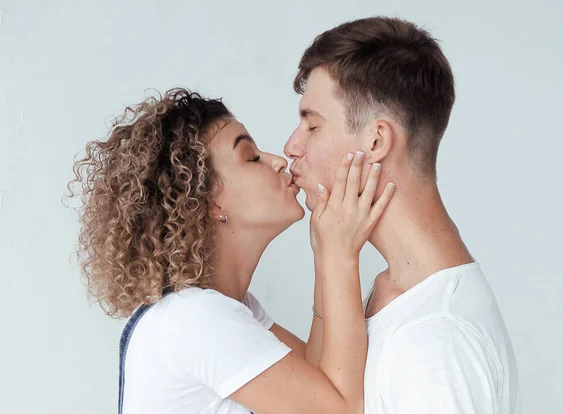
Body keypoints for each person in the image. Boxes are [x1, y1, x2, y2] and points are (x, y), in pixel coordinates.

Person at [68, 88, 395, 414]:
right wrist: (341, 256)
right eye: (252, 157)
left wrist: (326, 251)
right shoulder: (195, 318)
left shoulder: (220, 309)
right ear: (210, 202)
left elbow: (317, 376)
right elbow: (344, 410)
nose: (279, 161)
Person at [284, 16, 520, 413]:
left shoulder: (434, 340)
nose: (291, 147)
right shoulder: (393, 292)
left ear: (376, 141)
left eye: (312, 125)